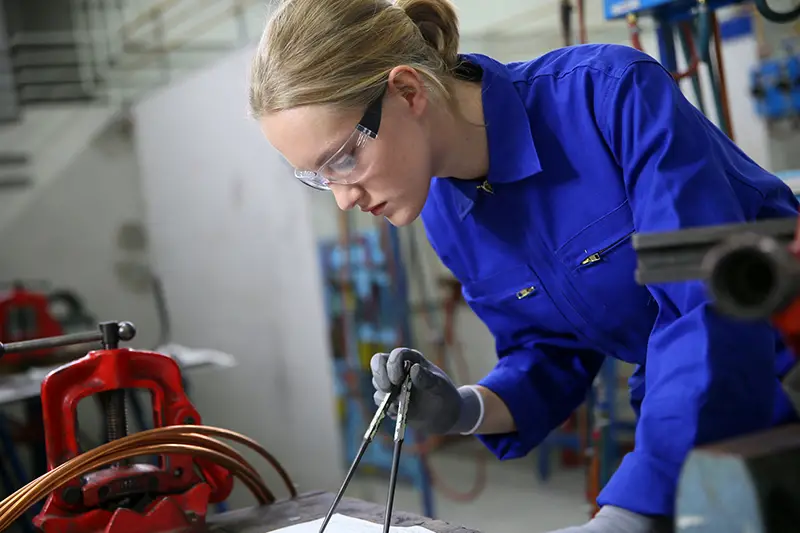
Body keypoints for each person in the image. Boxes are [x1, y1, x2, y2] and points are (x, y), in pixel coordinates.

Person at [249, 0, 800, 531]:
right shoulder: (445, 213)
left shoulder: (607, 97)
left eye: (343, 159)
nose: (343, 199)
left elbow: (705, 311)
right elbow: (549, 353)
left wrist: (633, 509)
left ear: (407, 91)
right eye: (318, 178)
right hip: (697, 420)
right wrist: (464, 409)